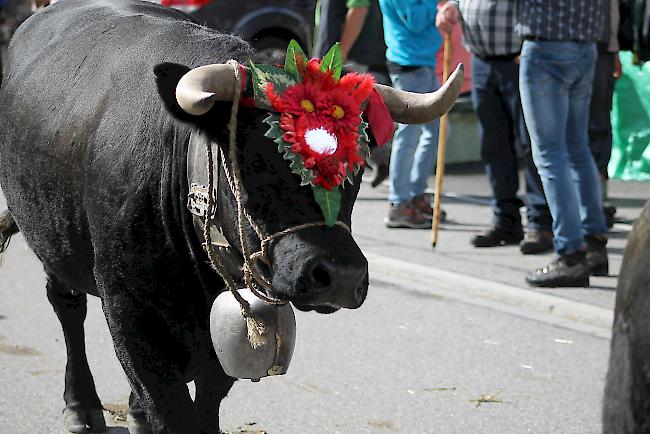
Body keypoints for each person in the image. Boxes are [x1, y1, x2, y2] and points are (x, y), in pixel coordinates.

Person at [436, 0, 553, 254]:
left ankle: (540, 222)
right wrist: (451, 7)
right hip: (482, 60)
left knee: (531, 142)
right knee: (493, 145)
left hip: (518, 59)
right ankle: (505, 219)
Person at [518, 0, 610, 287]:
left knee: (551, 154)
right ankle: (594, 244)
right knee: (577, 149)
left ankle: (571, 254)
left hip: (547, 47)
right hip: (585, 46)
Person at [378, 0, 442, 229]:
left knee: (434, 131)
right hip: (408, 62)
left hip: (420, 60)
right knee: (410, 133)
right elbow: (414, 21)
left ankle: (415, 194)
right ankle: (399, 202)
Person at [314, 0, 391, 188]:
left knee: (345, 125)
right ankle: (381, 159)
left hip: (350, 61)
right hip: (339, 60)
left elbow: (359, 9)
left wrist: (339, 56)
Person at [589, 0, 620, 229]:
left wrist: (614, 49)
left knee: (597, 127)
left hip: (600, 47)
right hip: (575, 43)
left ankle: (596, 201)